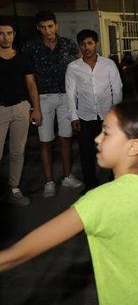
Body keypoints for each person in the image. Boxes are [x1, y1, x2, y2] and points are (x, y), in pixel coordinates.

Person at [0, 100, 138, 305]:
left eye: (106, 133)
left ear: (134, 145)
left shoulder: (104, 199)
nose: (97, 139)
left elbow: (19, 253)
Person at [22, 11, 83, 197]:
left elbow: (80, 66)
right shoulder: (30, 47)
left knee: (65, 138)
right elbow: (29, 79)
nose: (47, 30)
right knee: (45, 141)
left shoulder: (68, 44)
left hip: (66, 97)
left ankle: (67, 176)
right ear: (38, 28)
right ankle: (49, 182)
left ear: (56, 26)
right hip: (43, 99)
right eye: (43, 27)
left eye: (50, 26)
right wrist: (35, 106)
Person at [65, 29, 123, 191]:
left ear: (96, 44)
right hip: (85, 117)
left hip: (107, 115)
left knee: (112, 148)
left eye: (90, 43)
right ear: (79, 46)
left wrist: (116, 114)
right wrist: (73, 117)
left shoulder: (109, 64)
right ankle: (90, 184)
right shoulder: (73, 67)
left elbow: (117, 89)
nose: (86, 47)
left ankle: (115, 180)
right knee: (86, 153)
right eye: (83, 44)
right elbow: (70, 93)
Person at [0, 20, 41, 206]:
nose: (5, 37)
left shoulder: (23, 58)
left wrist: (36, 108)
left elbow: (32, 85)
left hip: (21, 109)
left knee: (18, 151)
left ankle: (14, 188)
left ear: (14, 35)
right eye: (1, 33)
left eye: (9, 33)